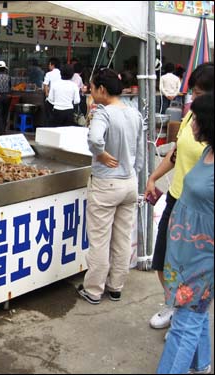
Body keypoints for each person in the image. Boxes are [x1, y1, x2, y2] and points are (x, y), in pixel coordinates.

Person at [145, 62, 214, 331]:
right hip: (176, 200)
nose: (192, 99)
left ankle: (188, 319)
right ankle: (175, 305)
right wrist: (153, 177)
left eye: (198, 93)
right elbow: (175, 154)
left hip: (202, 211)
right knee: (162, 261)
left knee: (195, 272)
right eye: (192, 93)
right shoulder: (190, 117)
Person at [156, 92, 214, 374]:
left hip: (204, 259)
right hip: (186, 253)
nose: (190, 125)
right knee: (196, 315)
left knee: (184, 325)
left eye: (196, 120)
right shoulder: (207, 152)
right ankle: (201, 364)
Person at [77, 68, 144, 305]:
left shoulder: (103, 113)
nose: (91, 92)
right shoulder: (134, 113)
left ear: (102, 90)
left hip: (106, 183)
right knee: (122, 238)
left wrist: (101, 154)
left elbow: (94, 139)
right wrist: (131, 173)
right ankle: (116, 287)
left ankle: (94, 289)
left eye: (92, 88)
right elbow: (141, 154)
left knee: (100, 240)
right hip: (129, 183)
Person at [0, 60, 11, 135]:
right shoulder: (8, 77)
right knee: (5, 113)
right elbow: (10, 87)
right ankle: (4, 129)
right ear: (5, 69)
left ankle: (0, 131)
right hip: (7, 96)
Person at [43, 57, 61, 126]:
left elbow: (45, 85)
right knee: (56, 118)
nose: (48, 66)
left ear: (53, 65)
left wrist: (47, 94)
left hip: (50, 99)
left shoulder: (49, 74)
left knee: (49, 118)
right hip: (59, 99)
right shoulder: (61, 73)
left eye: (49, 64)